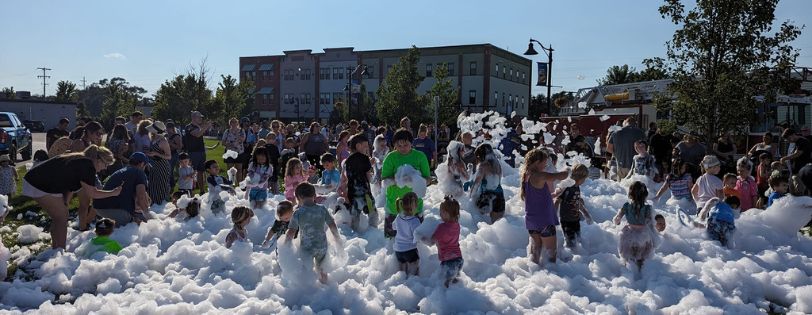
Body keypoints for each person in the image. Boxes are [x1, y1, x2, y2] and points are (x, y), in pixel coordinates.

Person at [23, 145, 122, 249]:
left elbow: (70, 184)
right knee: (61, 218)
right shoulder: (88, 166)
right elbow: (93, 193)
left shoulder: (80, 159)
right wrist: (113, 193)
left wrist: (65, 202)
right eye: (106, 164)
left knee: (60, 216)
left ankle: (55, 248)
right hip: (38, 184)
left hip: (36, 181)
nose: (105, 168)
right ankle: (60, 250)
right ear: (98, 160)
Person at [284, 182, 341, 284]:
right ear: (314, 196)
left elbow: (291, 232)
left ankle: (309, 288)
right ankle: (325, 284)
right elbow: (332, 225)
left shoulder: (298, 212)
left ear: (299, 198)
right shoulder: (322, 209)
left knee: (306, 269)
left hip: (307, 247)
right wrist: (337, 238)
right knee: (322, 268)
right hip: (321, 246)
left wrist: (285, 245)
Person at [521, 149, 569, 265]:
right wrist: (569, 170)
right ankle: (550, 279)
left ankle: (533, 276)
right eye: (545, 163)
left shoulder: (527, 175)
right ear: (537, 162)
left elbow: (537, 196)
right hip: (545, 221)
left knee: (535, 253)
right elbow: (560, 176)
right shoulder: (539, 175)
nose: (546, 165)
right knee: (551, 256)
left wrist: (554, 194)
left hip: (532, 221)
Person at [381, 129, 431, 238]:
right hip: (394, 206)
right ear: (394, 145)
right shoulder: (390, 158)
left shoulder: (420, 156)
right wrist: (398, 179)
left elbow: (428, 179)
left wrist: (415, 179)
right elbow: (384, 181)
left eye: (406, 145)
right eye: (399, 146)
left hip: (415, 206)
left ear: (411, 143)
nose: (403, 148)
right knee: (392, 241)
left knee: (416, 241)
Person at [94, 152, 151, 227]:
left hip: (99, 208)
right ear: (142, 164)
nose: (145, 169)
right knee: (139, 225)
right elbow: (141, 197)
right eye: (145, 166)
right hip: (117, 210)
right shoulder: (139, 172)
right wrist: (149, 218)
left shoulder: (121, 170)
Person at [613, 181, 657, 273]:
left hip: (628, 234)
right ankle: (641, 274)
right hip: (643, 235)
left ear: (630, 194)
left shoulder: (626, 206)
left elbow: (617, 219)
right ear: (645, 195)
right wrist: (654, 237)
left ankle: (629, 274)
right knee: (641, 258)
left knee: (628, 257)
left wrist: (617, 223)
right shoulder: (648, 208)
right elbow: (650, 223)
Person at [341, 134, 377, 231]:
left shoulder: (347, 160)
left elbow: (346, 177)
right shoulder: (365, 158)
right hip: (365, 193)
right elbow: (368, 176)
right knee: (372, 212)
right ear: (358, 146)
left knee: (355, 214)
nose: (366, 149)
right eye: (365, 146)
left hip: (352, 192)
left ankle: (354, 232)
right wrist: (371, 165)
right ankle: (373, 230)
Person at [555, 164, 594, 249]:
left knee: (578, 239)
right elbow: (558, 200)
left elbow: (577, 202)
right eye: (584, 179)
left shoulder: (577, 188)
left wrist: (586, 214)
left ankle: (578, 258)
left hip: (575, 219)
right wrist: (553, 215)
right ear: (579, 178)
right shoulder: (568, 187)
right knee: (570, 242)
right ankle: (568, 259)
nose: (584, 181)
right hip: (566, 219)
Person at [429, 196, 463, 287]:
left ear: (447, 213)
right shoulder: (457, 225)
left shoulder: (442, 227)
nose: (440, 214)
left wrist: (426, 235)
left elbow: (433, 239)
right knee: (454, 281)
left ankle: (448, 297)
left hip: (448, 261)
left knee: (446, 284)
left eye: (442, 212)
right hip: (459, 259)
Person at [470, 143, 505, 223]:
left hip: (486, 200)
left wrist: (469, 198)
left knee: (483, 228)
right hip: (500, 198)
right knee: (498, 227)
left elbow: (476, 184)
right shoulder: (498, 165)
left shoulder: (483, 166)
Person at [184, 111, 213, 194]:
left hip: (201, 152)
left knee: (201, 172)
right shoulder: (189, 127)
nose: (201, 118)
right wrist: (206, 126)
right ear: (193, 118)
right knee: (191, 172)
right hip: (193, 153)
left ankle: (202, 191)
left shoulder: (199, 126)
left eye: (201, 117)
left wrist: (205, 127)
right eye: (199, 117)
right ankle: (189, 191)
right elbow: (197, 134)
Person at [393, 192, 421, 276]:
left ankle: (402, 280)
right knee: (415, 267)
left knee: (402, 269)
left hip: (398, 250)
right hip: (410, 250)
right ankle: (414, 280)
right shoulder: (414, 221)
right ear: (414, 206)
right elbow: (417, 234)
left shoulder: (398, 217)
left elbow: (394, 227)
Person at [145, 121, 172, 205]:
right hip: (153, 166)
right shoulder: (154, 138)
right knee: (153, 186)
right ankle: (153, 204)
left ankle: (160, 205)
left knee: (160, 186)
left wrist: (156, 154)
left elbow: (169, 156)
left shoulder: (163, 141)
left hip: (161, 166)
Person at [222, 118, 247, 183]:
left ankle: (239, 185)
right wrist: (228, 144)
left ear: (237, 123)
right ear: (230, 123)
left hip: (239, 152)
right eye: (232, 122)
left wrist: (237, 137)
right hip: (230, 152)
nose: (233, 123)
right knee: (230, 170)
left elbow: (243, 139)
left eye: (235, 122)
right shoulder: (227, 131)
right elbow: (223, 142)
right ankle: (230, 184)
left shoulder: (241, 131)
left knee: (239, 169)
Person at [165, 121, 183, 190]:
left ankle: (171, 185)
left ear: (172, 128)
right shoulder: (166, 135)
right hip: (167, 154)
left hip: (173, 155)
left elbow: (179, 147)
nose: (167, 129)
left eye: (168, 128)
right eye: (166, 128)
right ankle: (170, 184)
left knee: (170, 170)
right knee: (168, 170)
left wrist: (170, 143)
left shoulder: (176, 136)